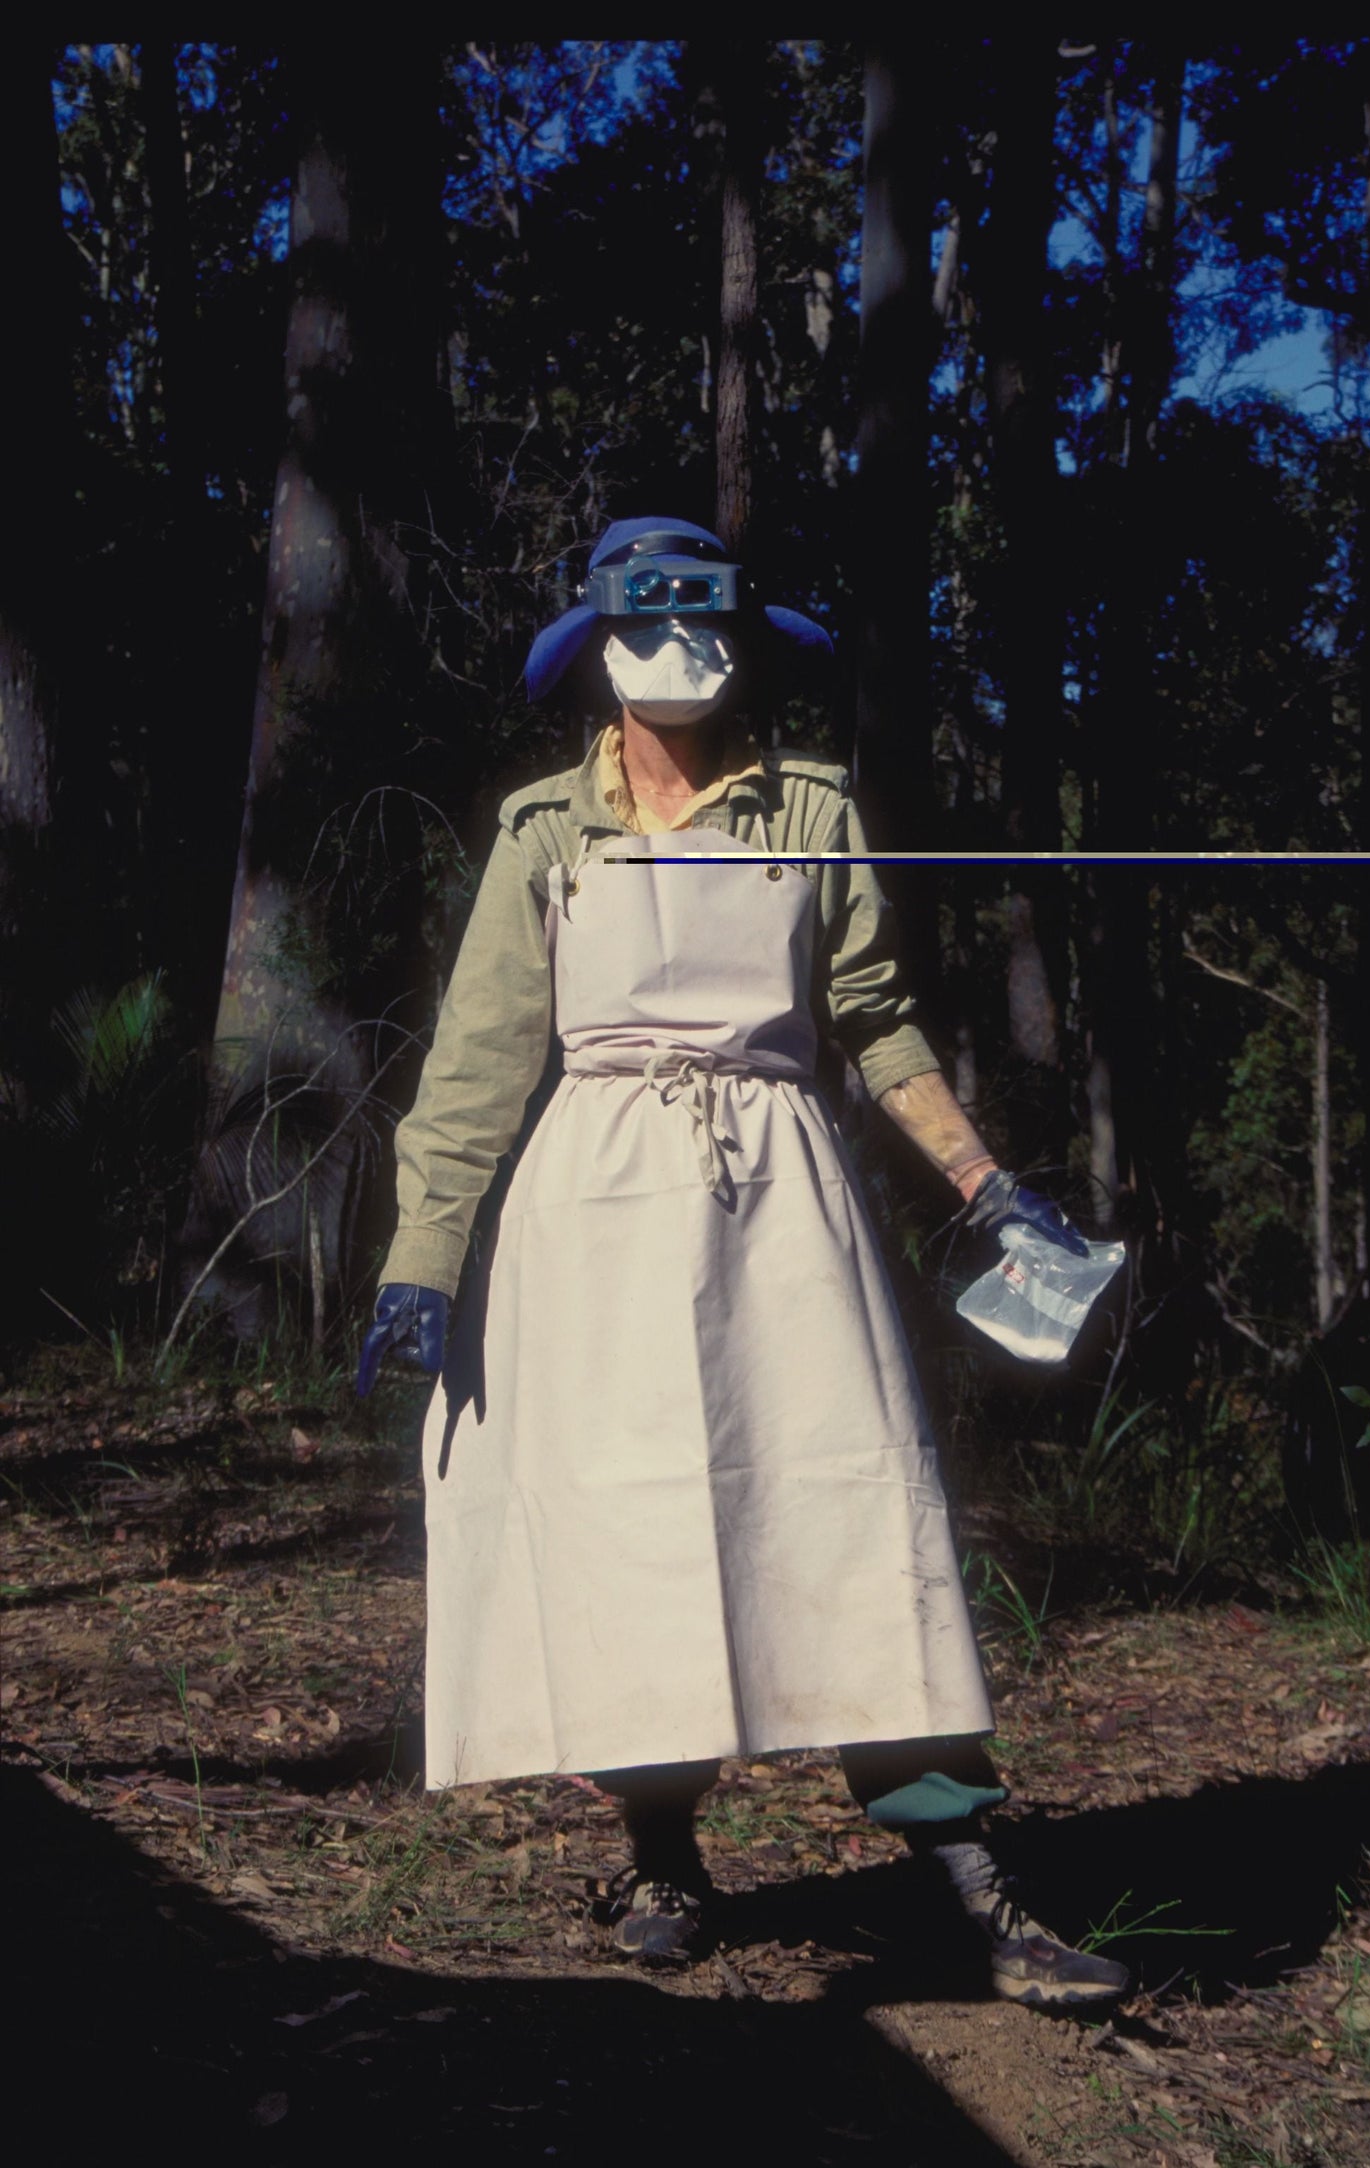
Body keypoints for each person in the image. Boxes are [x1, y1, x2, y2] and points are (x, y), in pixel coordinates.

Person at [358, 518, 1129, 2009]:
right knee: (630, 1533)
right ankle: (661, 1851)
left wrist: (987, 1189)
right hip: (592, 1213)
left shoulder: (813, 812)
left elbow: (874, 1019)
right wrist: (423, 1264)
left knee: (849, 1517)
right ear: (593, 653)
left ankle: (980, 1884)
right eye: (647, 622)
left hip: (780, 1202)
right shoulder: (541, 832)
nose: (680, 653)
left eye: (706, 622)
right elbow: (474, 1069)